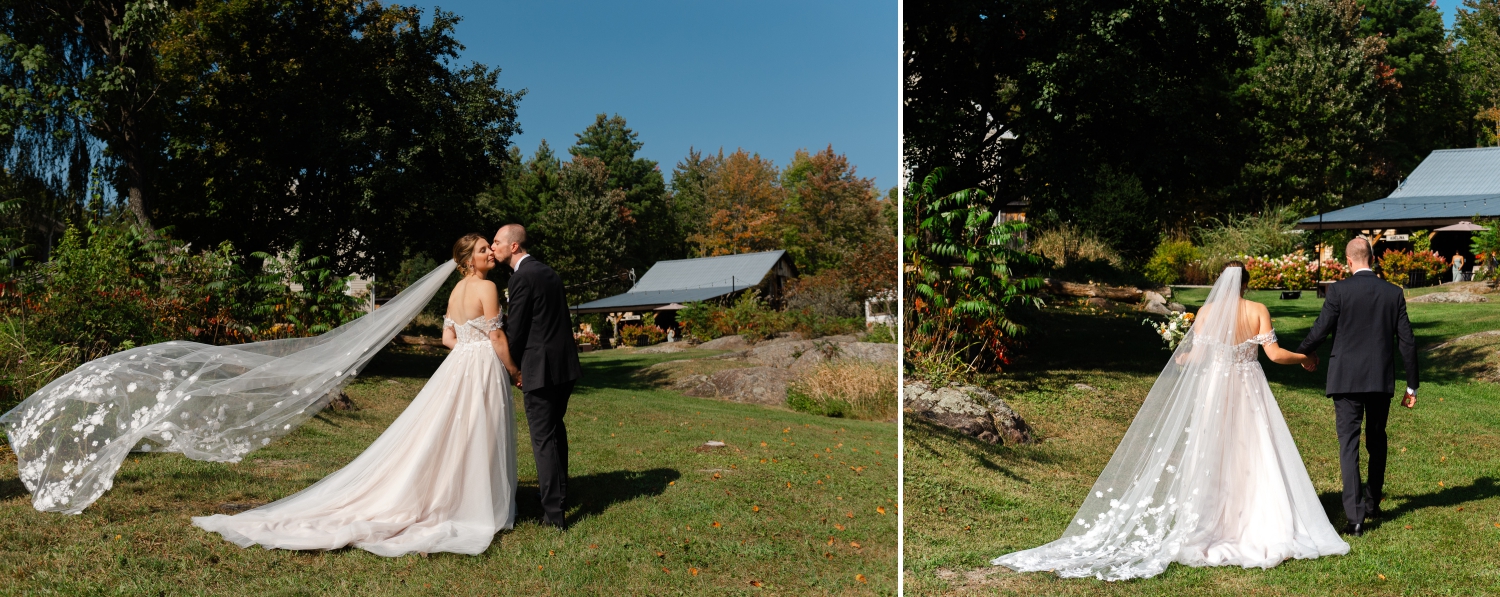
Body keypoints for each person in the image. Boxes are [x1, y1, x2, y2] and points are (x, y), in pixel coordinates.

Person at [992, 262, 1349, 581]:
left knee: (1212, 452)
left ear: (1220, 283)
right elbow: (1273, 354)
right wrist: (1305, 356)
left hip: (1214, 391)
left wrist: (1183, 357)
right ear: (1245, 285)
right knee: (1255, 452)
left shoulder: (1207, 312)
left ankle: (1212, 520)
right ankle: (1257, 520)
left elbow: (1198, 356)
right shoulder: (1257, 309)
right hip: (1248, 388)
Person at [190, 234, 521, 556]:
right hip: (480, 366)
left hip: (458, 364)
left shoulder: (456, 292)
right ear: (466, 261)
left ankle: (457, 495)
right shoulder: (487, 287)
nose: (490, 253)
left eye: (488, 249)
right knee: (480, 429)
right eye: (482, 250)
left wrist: (467, 347)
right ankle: (474, 502)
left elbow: (449, 338)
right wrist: (514, 371)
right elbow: (497, 338)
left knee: (454, 432)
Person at [1295, 237, 1419, 537]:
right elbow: (1407, 342)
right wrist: (1412, 385)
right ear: (1373, 259)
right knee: (1376, 439)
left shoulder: (1338, 290)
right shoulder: (1393, 293)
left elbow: (1320, 329)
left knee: (1348, 444)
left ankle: (1355, 517)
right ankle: (1372, 500)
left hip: (1346, 378)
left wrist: (1304, 354)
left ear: (1348, 261)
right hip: (1379, 380)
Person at [492, 224, 582, 529]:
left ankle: (553, 516)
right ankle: (560, 497)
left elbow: (516, 332)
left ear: (514, 246)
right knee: (556, 433)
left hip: (540, 369)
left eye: (497, 242)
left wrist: (509, 366)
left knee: (543, 439)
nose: (493, 247)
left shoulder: (522, 277)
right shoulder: (548, 272)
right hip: (565, 366)